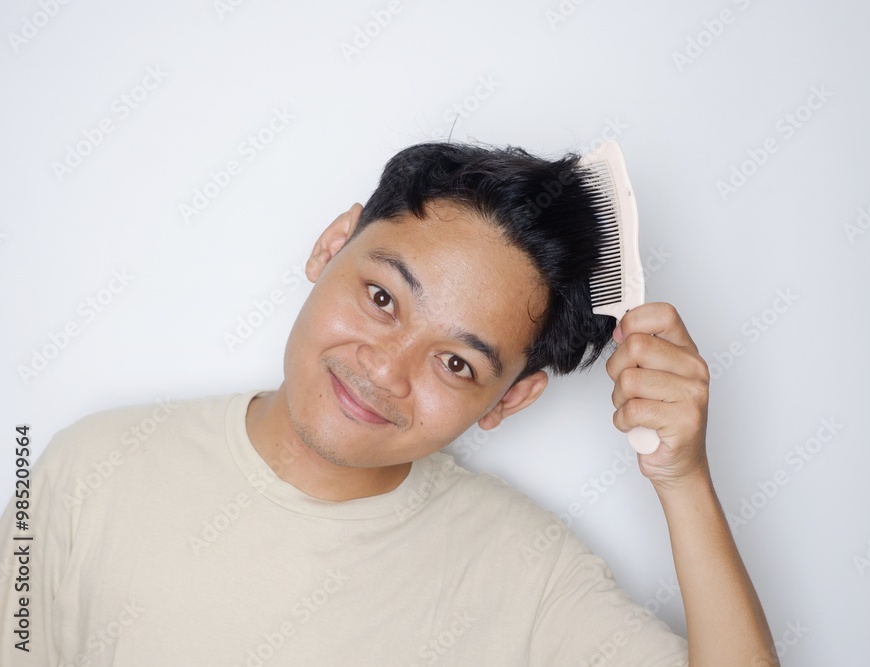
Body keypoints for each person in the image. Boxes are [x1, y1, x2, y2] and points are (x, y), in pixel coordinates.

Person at [1, 142, 775, 665]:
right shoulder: (89, 471)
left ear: (512, 398)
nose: (385, 368)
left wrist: (684, 480)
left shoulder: (528, 573)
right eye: (381, 297)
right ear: (333, 241)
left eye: (455, 361)